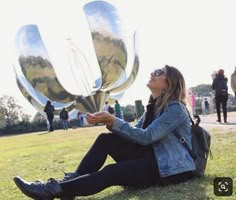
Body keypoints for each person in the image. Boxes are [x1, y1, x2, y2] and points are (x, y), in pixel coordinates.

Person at [13, 65, 196, 200]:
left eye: (158, 72)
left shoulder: (175, 109)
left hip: (169, 170)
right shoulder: (153, 107)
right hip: (151, 158)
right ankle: (69, 184)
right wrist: (108, 122)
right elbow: (136, 134)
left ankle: (51, 190)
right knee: (105, 140)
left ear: (168, 83)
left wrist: (114, 121)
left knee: (112, 171)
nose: (152, 73)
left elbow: (146, 137)